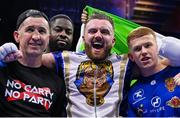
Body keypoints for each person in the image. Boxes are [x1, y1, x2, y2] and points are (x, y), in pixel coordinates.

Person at [1, 13, 180, 117]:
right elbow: (29, 55)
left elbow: (163, 62)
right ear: (84, 37)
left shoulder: (127, 61)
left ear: (113, 40)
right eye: (92, 31)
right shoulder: (64, 58)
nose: (98, 35)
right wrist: (4, 53)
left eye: (105, 32)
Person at [0, 9, 66, 116]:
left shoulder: (57, 83)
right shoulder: (3, 70)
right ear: (17, 36)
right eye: (30, 30)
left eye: (42, 31)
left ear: (48, 39)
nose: (36, 37)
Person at [126, 26, 180, 117]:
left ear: (157, 48)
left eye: (148, 45)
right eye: (137, 49)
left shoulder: (178, 72)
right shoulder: (132, 93)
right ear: (131, 57)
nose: (144, 51)